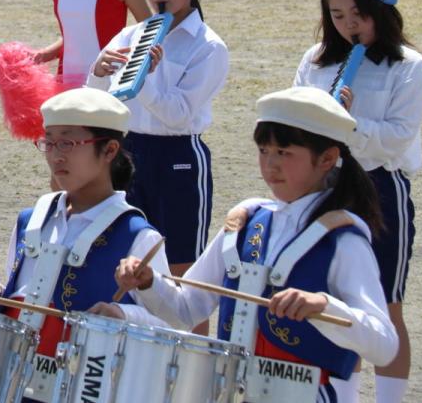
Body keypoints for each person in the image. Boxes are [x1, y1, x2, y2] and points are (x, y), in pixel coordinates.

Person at [114, 86, 400, 403]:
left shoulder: (342, 240)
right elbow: (186, 310)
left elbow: (384, 344)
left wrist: (324, 306)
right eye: (264, 151)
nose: (271, 164)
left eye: (285, 153)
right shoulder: (245, 223)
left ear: (327, 158)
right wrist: (149, 283)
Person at [0, 87, 170, 402]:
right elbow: (23, 300)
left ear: (109, 150)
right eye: (49, 142)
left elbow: (168, 329)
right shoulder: (31, 221)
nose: (56, 154)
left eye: (69, 142)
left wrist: (123, 314)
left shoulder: (137, 235)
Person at [293, 0, 422, 403]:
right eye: (336, 15)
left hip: (379, 189)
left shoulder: (407, 66)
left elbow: (394, 141)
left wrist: (347, 123)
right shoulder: (314, 62)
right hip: (322, 189)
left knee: (385, 306)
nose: (348, 25)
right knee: (327, 300)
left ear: (380, 12)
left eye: (358, 14)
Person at [88, 0, 228, 278]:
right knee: (124, 259)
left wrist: (141, 77)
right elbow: (97, 102)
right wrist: (98, 73)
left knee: (181, 270)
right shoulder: (130, 35)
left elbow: (178, 113)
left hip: (178, 156)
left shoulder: (209, 46)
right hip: (128, 150)